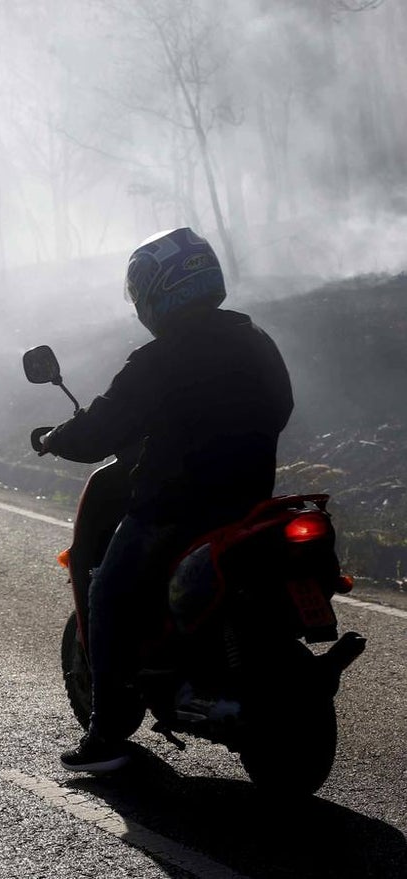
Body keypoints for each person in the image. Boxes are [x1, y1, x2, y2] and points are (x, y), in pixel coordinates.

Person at [36, 228, 293, 772]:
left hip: (175, 508)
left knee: (106, 591)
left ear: (157, 293)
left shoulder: (159, 359)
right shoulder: (254, 338)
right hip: (249, 500)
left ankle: (107, 733)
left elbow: (101, 429)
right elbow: (282, 406)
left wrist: (55, 438)